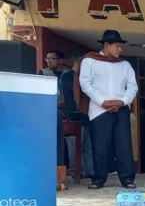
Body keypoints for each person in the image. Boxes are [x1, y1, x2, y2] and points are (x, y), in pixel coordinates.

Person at [79, 30, 138, 189]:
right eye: (118, 46)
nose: (121, 50)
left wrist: (123, 101)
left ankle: (127, 178)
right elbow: (85, 84)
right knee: (100, 145)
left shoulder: (125, 65)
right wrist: (103, 102)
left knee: (123, 144)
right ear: (106, 45)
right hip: (99, 109)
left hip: (121, 108)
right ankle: (98, 179)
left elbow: (133, 86)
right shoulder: (90, 61)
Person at [40, 50, 74, 190]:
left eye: (52, 59)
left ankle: (61, 173)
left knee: (59, 135)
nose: (48, 62)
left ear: (60, 60)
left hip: (67, 112)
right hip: (48, 112)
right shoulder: (43, 73)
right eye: (47, 59)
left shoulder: (70, 74)